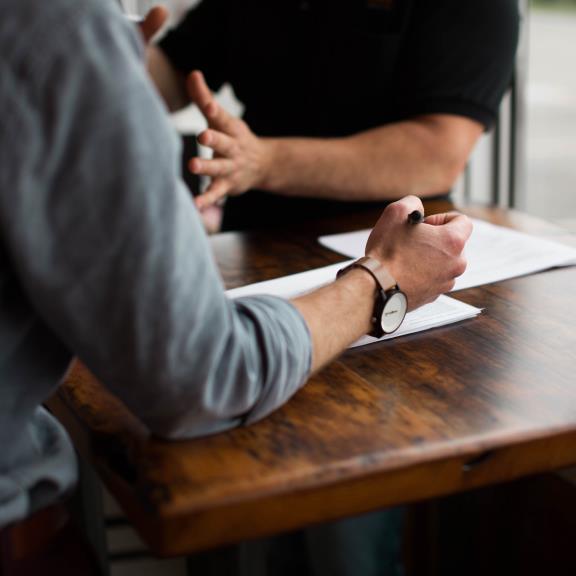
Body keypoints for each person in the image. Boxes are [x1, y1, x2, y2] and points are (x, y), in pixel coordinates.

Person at [0, 0, 471, 572]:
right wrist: (383, 281)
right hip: (267, 287)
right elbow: (202, 374)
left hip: (376, 317)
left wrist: (107, 70)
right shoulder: (55, 26)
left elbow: (438, 151)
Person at [147, 0, 520, 231]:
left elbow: (436, 153)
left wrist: (262, 161)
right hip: (254, 239)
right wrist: (109, 60)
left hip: (388, 250)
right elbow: (177, 69)